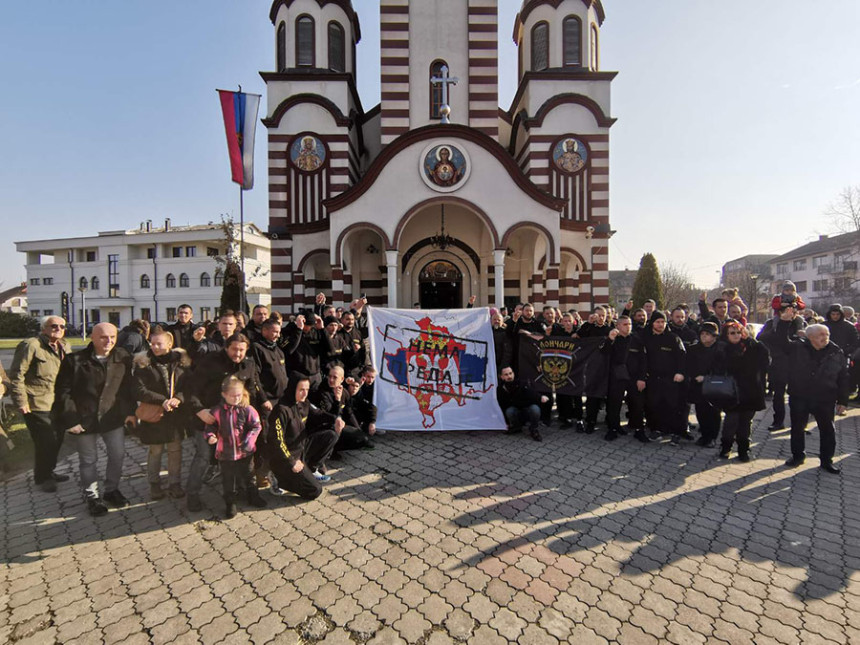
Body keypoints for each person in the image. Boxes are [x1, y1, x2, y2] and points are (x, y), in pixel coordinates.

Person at [51, 323, 136, 516]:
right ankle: (93, 497)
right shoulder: (75, 361)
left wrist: (130, 412)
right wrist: (71, 420)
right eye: (104, 337)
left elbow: (128, 388)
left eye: (113, 337)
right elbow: (63, 393)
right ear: (92, 337)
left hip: (112, 417)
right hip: (84, 420)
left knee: (118, 454)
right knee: (88, 460)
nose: (109, 341)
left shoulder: (122, 358)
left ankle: (111, 490)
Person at [185, 333, 263, 512]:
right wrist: (199, 410)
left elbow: (251, 391)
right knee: (203, 457)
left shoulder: (248, 365)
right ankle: (193, 494)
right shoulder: (210, 361)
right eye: (234, 349)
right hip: (208, 418)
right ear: (226, 347)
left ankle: (243, 492)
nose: (237, 353)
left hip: (237, 422)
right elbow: (192, 388)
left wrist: (251, 415)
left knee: (242, 459)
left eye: (241, 350)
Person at [9, 316, 72, 492]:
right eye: (53, 326)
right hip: (36, 402)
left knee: (58, 439)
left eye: (62, 326)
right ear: (44, 328)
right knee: (46, 441)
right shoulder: (31, 345)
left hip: (58, 402)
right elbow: (17, 375)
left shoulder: (64, 345)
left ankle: (48, 471)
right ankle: (42, 477)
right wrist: (21, 401)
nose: (58, 329)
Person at [779, 324, 849, 474]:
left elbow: (843, 377)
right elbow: (781, 343)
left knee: (828, 430)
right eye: (820, 335)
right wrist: (783, 322)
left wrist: (843, 401)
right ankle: (797, 456)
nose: (825, 338)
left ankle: (826, 461)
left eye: (826, 334)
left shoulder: (836, 352)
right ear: (810, 337)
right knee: (798, 428)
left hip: (825, 397)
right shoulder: (798, 348)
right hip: (800, 395)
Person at [131, 326, 190, 500]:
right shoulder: (144, 362)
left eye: (159, 343)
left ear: (170, 343)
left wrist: (179, 397)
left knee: (175, 450)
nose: (155, 347)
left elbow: (188, 385)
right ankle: (154, 484)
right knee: (155, 451)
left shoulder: (181, 361)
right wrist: (161, 400)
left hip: (175, 415)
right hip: (155, 414)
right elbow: (138, 389)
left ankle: (174, 483)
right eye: (152, 343)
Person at [268, 377, 343, 499]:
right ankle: (278, 477)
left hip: (302, 448)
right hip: (287, 456)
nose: (305, 393)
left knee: (331, 435)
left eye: (307, 389)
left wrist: (336, 419)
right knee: (315, 490)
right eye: (301, 389)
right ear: (293, 389)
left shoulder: (305, 403)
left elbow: (319, 414)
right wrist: (291, 461)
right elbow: (277, 441)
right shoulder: (281, 410)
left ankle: (311, 469)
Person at [203, 376, 266, 518]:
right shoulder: (216, 411)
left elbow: (256, 426)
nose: (236, 398)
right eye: (232, 396)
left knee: (250, 475)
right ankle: (230, 503)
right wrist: (211, 436)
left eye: (238, 395)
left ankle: (253, 496)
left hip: (246, 452)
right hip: (225, 454)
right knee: (228, 480)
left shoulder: (247, 409)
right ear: (224, 395)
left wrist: (249, 442)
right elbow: (209, 426)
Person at [712, 321, 770, 462]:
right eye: (732, 333)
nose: (736, 335)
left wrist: (750, 339)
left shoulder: (751, 346)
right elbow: (718, 369)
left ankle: (743, 449)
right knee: (731, 421)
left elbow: (765, 358)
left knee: (745, 422)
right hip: (731, 392)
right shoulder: (722, 349)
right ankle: (726, 447)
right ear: (726, 335)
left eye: (739, 332)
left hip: (750, 391)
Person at [635, 311, 687, 444]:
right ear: (652, 323)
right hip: (653, 378)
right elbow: (642, 359)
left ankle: (675, 432)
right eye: (657, 322)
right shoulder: (646, 338)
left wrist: (680, 372)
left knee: (672, 405)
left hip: (671, 379)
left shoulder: (673, 338)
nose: (660, 324)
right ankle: (656, 429)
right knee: (654, 404)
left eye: (662, 322)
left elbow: (682, 356)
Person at [757, 305, 805, 430]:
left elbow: (800, 340)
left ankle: (800, 424)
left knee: (798, 396)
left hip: (796, 364)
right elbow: (761, 338)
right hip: (778, 364)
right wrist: (775, 331)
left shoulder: (799, 323)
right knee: (778, 395)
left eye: (793, 312)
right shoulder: (772, 323)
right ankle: (778, 421)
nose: (791, 314)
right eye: (787, 312)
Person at [601, 316, 648, 442]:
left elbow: (643, 360)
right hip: (617, 376)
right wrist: (610, 339)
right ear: (618, 326)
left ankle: (639, 429)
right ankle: (613, 428)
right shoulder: (612, 338)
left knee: (637, 403)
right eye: (625, 324)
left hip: (634, 377)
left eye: (630, 324)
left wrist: (642, 378)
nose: (628, 326)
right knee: (614, 403)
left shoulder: (637, 339)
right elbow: (604, 353)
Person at [312, 364, 373, 460]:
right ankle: (329, 450)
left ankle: (334, 448)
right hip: (326, 427)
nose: (331, 380)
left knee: (362, 438)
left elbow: (349, 413)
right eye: (330, 376)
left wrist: (358, 430)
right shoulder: (323, 393)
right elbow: (330, 416)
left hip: (338, 425)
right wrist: (337, 400)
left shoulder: (344, 392)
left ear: (341, 379)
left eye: (334, 377)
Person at [686, 322, 722, 447]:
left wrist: (707, 377)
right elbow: (689, 365)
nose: (704, 336)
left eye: (707, 334)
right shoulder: (694, 349)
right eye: (702, 334)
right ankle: (704, 435)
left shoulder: (721, 349)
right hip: (698, 385)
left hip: (715, 386)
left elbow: (724, 370)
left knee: (713, 413)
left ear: (714, 336)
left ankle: (712, 437)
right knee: (701, 411)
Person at [497, 365, 547, 442]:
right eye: (506, 375)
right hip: (516, 410)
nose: (509, 376)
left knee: (535, 409)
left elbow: (532, 394)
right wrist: (505, 423)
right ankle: (516, 427)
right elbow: (502, 406)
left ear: (513, 373)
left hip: (527, 408)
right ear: (502, 377)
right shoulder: (500, 389)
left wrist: (541, 397)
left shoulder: (522, 383)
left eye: (510, 373)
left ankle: (533, 429)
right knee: (509, 411)